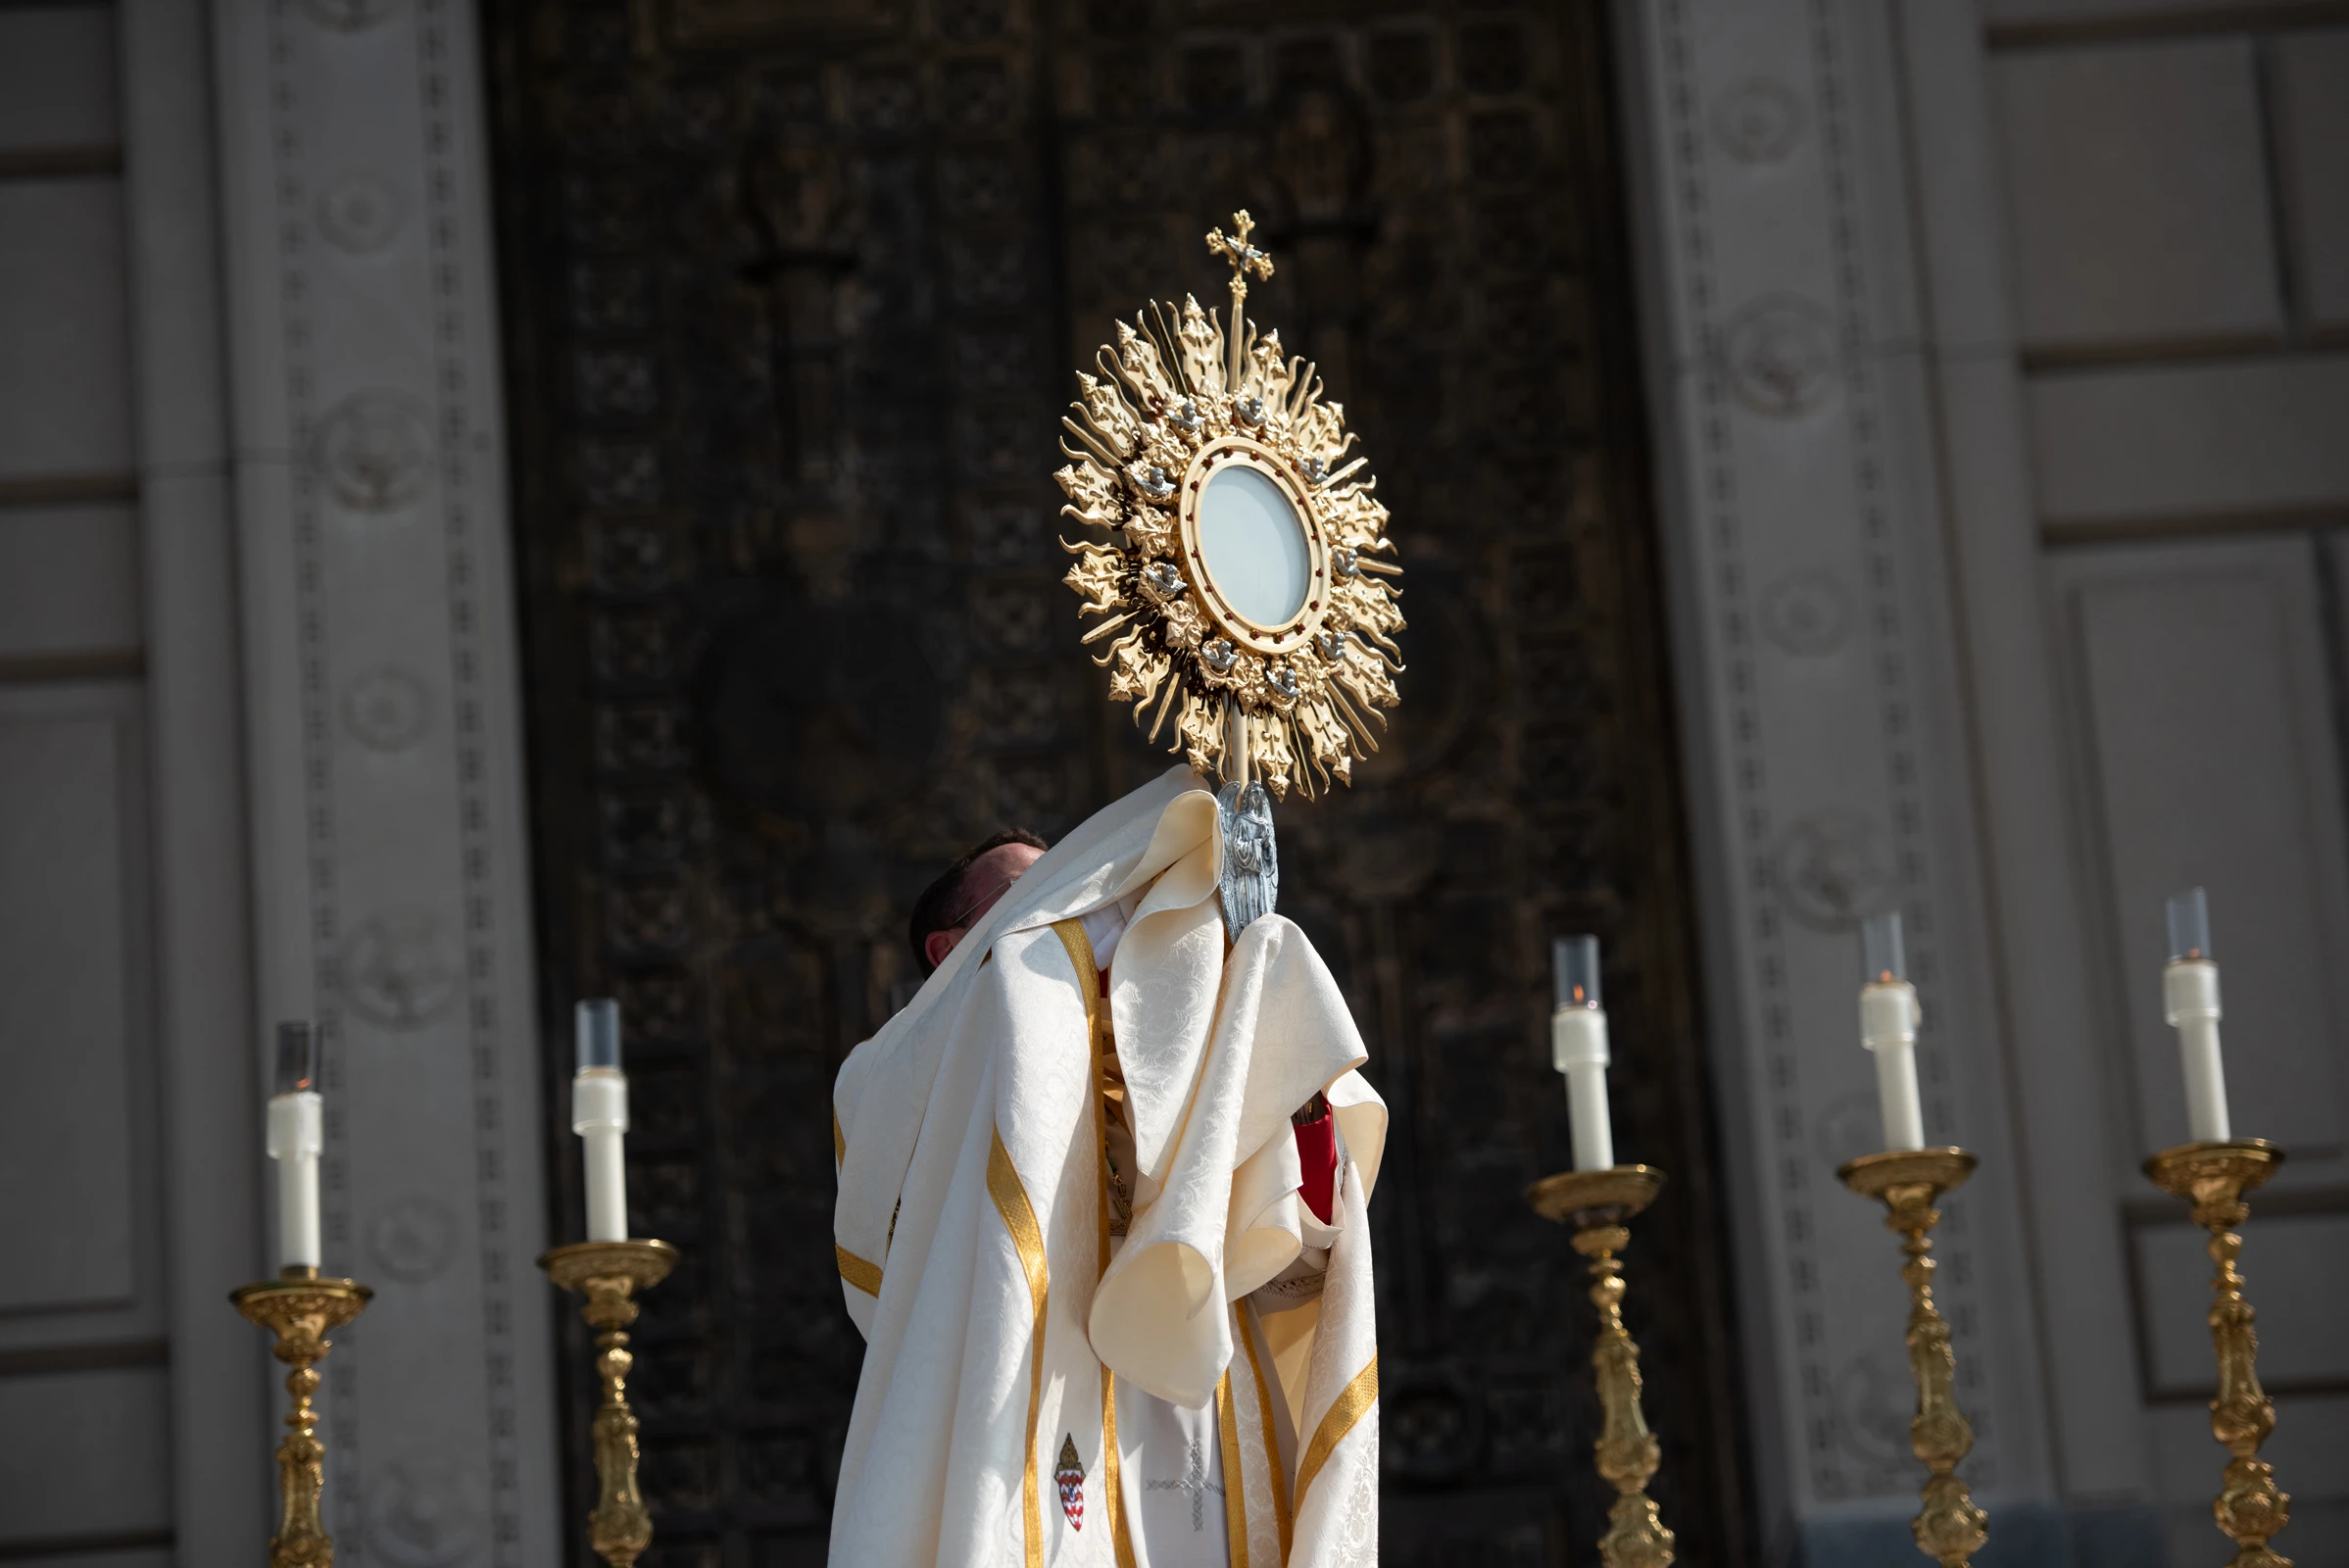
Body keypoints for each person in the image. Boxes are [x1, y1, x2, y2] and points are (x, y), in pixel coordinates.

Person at [831, 766, 1385, 1566]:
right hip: (1026, 1365)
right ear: (948, 948)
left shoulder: (1172, 1039)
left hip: (1190, 1375)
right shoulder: (895, 1067)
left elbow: (1297, 1233)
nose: (1074, 914)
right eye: (1035, 899)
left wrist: (1275, 1047)